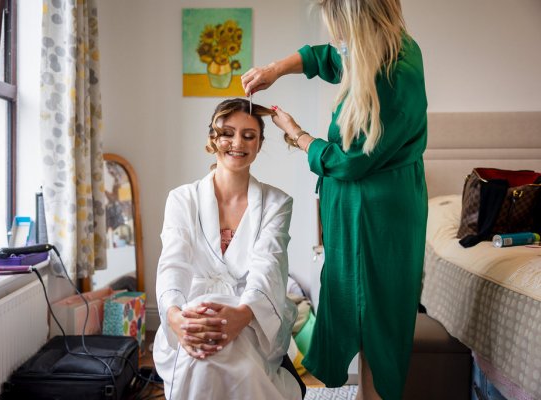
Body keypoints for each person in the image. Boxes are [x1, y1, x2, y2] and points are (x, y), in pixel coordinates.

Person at [241, 1, 428, 399]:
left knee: (375, 316)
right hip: (361, 210)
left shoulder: (393, 76)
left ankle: (376, 395)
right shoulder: (389, 45)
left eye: (340, 29)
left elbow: (347, 162)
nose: (335, 39)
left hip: (377, 217)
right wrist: (274, 70)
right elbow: (327, 56)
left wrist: (298, 135)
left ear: (361, 25)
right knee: (359, 311)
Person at [153, 98, 304, 400]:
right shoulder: (182, 199)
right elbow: (174, 263)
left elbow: (268, 267)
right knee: (201, 357)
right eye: (227, 133)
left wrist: (242, 316)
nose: (237, 143)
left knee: (234, 365)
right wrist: (175, 318)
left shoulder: (277, 203)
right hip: (193, 313)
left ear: (260, 144)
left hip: (250, 314)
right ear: (213, 138)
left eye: (249, 135)